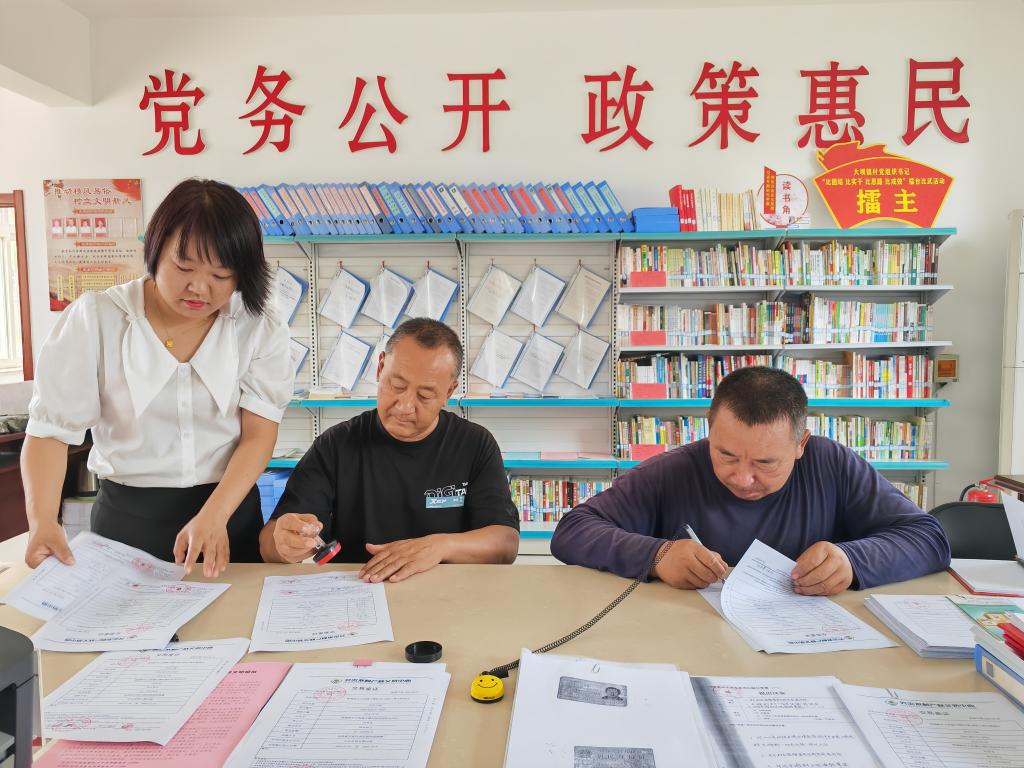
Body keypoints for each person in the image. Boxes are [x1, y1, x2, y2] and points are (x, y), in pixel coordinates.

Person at [23, 179, 293, 576]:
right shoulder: (97, 318)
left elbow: (259, 433)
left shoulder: (257, 325)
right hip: (125, 522)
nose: (199, 288)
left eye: (221, 275)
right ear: (155, 249)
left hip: (225, 516)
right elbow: (50, 431)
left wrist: (215, 514)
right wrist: (42, 520)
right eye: (184, 267)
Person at [551, 366, 951, 595]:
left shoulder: (832, 464)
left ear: (801, 445)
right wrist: (657, 555)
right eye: (725, 454)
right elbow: (573, 530)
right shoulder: (675, 470)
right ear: (709, 431)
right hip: (689, 642)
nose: (742, 478)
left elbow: (929, 538)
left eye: (765, 462)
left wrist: (852, 561)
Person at [260, 318, 519, 580]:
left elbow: (506, 544)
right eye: (397, 386)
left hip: (447, 593)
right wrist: (283, 543)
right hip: (359, 589)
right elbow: (268, 543)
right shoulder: (336, 444)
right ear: (381, 367)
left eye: (425, 395)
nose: (404, 406)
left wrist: (439, 546)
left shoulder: (475, 444)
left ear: (448, 393)